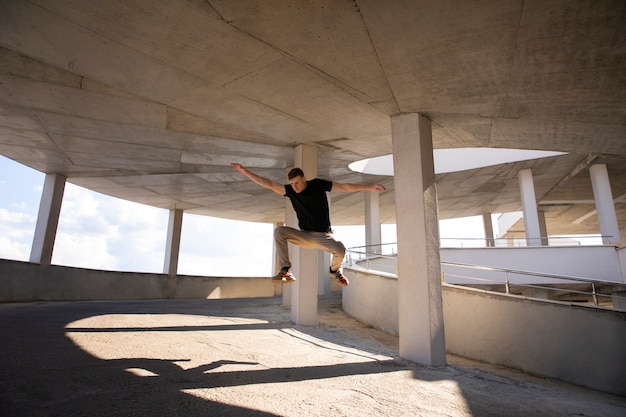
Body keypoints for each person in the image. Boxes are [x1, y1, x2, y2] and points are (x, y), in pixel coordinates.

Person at [231, 162, 386, 286]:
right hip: (304, 235)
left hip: (324, 235)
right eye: (292, 184)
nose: (295, 187)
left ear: (304, 179)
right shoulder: (290, 191)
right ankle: (285, 270)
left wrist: (370, 187)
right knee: (279, 231)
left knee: (340, 249)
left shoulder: (318, 185)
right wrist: (244, 171)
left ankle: (334, 271)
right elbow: (268, 184)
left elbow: (344, 186)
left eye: (297, 182)